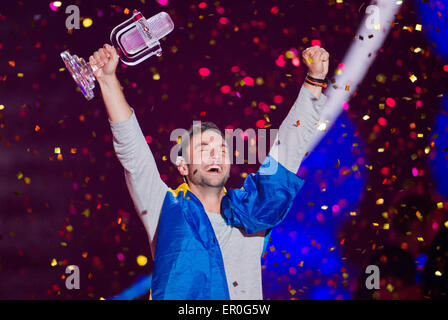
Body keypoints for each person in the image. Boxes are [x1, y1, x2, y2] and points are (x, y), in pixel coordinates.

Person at [89, 43, 329, 299]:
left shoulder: (252, 210)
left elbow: (288, 149)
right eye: (204, 147)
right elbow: (133, 154)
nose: (216, 153)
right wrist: (107, 79)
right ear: (183, 166)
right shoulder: (164, 207)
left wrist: (315, 80)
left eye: (222, 149)